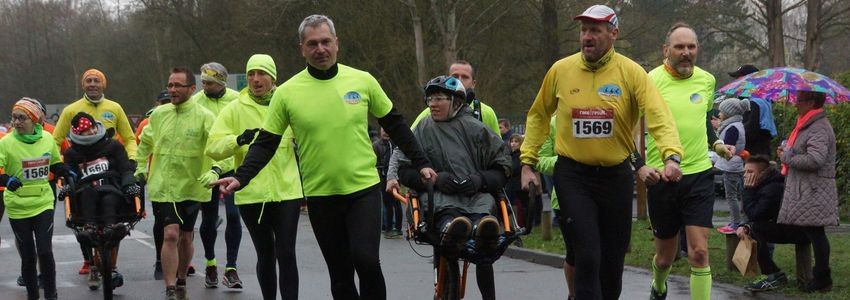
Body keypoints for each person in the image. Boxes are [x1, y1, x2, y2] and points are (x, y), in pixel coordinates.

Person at [213, 15, 434, 300]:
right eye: (313, 43)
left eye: (326, 42)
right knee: (340, 274)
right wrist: (242, 177)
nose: (321, 49)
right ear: (302, 48)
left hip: (362, 190)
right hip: (321, 195)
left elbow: (396, 125)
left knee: (367, 261)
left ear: (337, 43)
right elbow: (266, 143)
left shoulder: (362, 80)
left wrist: (423, 162)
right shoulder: (288, 93)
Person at [520, 5, 683, 299]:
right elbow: (538, 116)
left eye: (595, 30)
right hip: (573, 175)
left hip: (615, 176)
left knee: (612, 260)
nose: (587, 37)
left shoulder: (631, 72)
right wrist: (527, 163)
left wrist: (672, 156)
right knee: (587, 253)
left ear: (613, 33)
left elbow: (659, 115)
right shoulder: (560, 70)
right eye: (583, 30)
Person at [397, 75, 511, 300]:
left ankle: (482, 229)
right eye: (430, 98)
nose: (432, 104)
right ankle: (454, 227)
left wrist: (480, 180)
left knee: (485, 205)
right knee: (440, 207)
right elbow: (404, 170)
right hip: (439, 196)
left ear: (456, 102)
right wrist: (433, 180)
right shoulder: (422, 129)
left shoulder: (478, 129)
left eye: (439, 98)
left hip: (475, 195)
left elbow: (504, 167)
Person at [643, 23, 735, 300]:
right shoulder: (650, 80)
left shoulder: (707, 80)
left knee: (699, 252)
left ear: (697, 50)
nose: (686, 52)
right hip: (662, 178)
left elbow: (704, 121)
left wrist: (717, 143)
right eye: (679, 47)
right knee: (665, 258)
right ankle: (659, 286)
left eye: (691, 47)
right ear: (666, 49)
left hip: (699, 175)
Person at [206, 54, 303, 300]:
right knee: (266, 253)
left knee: (287, 253)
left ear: (273, 77)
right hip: (251, 194)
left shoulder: (288, 104)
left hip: (286, 192)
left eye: (262, 74)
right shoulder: (235, 108)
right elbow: (213, 147)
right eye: (251, 74)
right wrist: (238, 140)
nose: (256, 79)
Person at [136, 67, 220, 300]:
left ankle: (182, 276)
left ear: (192, 89)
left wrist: (215, 170)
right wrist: (140, 167)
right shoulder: (159, 114)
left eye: (177, 86)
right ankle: (170, 287)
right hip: (164, 186)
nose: (172, 90)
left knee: (185, 235)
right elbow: (144, 144)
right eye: (170, 85)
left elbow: (217, 146)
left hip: (193, 185)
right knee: (170, 234)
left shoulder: (205, 116)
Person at [61, 112, 141, 290]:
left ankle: (111, 229)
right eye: (84, 131)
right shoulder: (72, 152)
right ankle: (89, 229)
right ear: (77, 133)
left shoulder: (112, 146)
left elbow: (125, 168)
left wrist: (129, 185)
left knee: (110, 198)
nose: (89, 133)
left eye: (91, 129)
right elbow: (68, 172)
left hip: (111, 185)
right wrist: (68, 184)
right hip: (85, 190)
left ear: (95, 127)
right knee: (88, 194)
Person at [0, 98, 71, 300]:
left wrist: (65, 171)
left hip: (42, 203)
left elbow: (55, 164)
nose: (16, 122)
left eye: (22, 118)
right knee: (28, 255)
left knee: (45, 251)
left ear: (34, 120)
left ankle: (51, 294)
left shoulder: (47, 139)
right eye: (14, 118)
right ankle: (33, 295)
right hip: (18, 206)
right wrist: (6, 179)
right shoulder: (6, 143)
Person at [776, 90, 838, 293]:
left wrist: (787, 157)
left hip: (814, 188)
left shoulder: (818, 127)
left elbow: (815, 160)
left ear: (812, 102)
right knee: (813, 232)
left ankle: (822, 277)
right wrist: (788, 151)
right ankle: (820, 276)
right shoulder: (806, 124)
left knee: (816, 232)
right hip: (808, 188)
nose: (795, 104)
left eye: (799, 100)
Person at [191, 62, 243, 289]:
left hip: (232, 164)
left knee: (233, 215)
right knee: (209, 218)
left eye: (210, 83)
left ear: (221, 81)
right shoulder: (196, 102)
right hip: (207, 167)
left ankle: (231, 268)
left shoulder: (236, 99)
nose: (205, 86)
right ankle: (211, 262)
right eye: (202, 82)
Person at [733, 155, 807, 292]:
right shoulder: (762, 184)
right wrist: (744, 225)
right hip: (787, 225)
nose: (745, 176)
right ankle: (771, 274)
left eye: (750, 172)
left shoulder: (773, 187)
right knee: (754, 228)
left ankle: (772, 275)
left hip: (802, 230)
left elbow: (757, 214)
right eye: (744, 172)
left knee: (756, 229)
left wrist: (748, 191)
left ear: (762, 174)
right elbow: (754, 214)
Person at [533, 116, 575, 300]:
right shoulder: (553, 122)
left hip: (603, 194)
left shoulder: (602, 112)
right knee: (576, 252)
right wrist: (565, 162)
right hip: (566, 197)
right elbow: (540, 160)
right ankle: (573, 294)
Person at [136, 89, 171, 280]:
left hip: (181, 177)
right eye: (162, 102)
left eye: (168, 102)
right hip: (156, 177)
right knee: (161, 221)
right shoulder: (146, 123)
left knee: (182, 226)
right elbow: (138, 149)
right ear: (156, 104)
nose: (166, 106)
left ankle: (182, 260)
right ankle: (159, 259)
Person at [410, 60, 500, 134]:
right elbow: (410, 142)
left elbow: (499, 151)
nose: (459, 80)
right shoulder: (431, 111)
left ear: (473, 84)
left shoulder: (486, 113)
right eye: (455, 76)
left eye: (465, 77)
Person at [714, 97, 750, 234]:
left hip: (731, 165)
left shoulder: (732, 127)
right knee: (740, 194)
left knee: (731, 195)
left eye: (721, 111)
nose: (719, 114)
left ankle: (735, 222)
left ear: (729, 113)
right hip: (736, 164)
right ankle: (740, 221)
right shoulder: (736, 125)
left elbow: (727, 146)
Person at [728, 64, 777, 157]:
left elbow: (750, 132)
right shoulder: (762, 99)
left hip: (754, 155)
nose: (737, 82)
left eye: (740, 79)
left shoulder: (755, 103)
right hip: (760, 152)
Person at [372, 127, 402, 238]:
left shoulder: (395, 144)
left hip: (396, 176)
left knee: (397, 202)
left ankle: (398, 229)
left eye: (387, 130)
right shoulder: (376, 145)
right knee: (387, 203)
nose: (386, 132)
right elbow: (373, 160)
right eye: (384, 130)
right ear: (380, 131)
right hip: (383, 177)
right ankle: (388, 228)